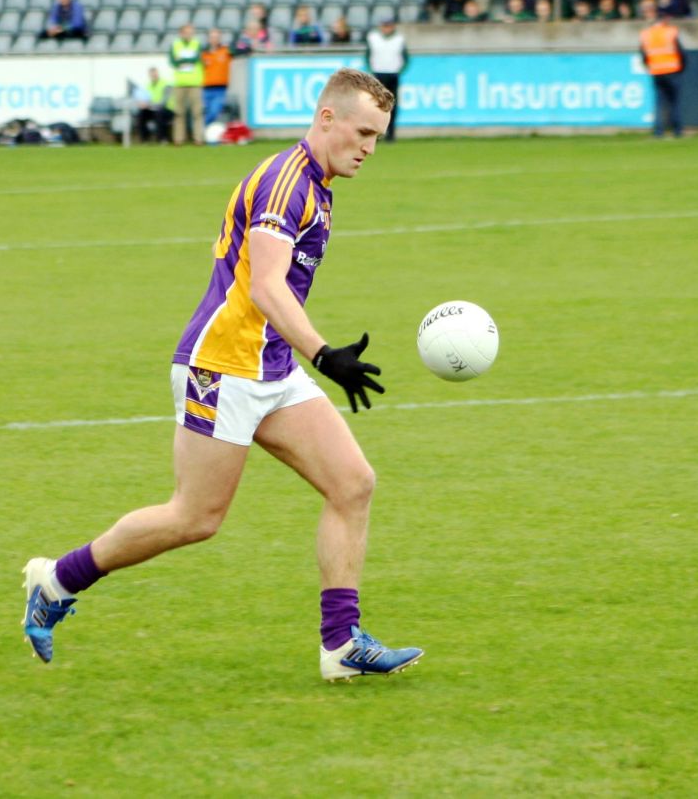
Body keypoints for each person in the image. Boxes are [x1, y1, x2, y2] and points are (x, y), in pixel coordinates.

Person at [21, 68, 424, 682]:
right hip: (221, 366)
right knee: (196, 518)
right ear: (327, 118)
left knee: (353, 483)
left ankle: (341, 645)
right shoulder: (286, 184)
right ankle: (56, 581)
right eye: (363, 132)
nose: (370, 147)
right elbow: (264, 285)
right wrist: (324, 354)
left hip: (271, 365)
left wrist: (304, 357)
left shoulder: (320, 186)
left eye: (378, 136)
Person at [639, 7, 684, 138]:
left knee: (659, 102)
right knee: (674, 102)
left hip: (656, 71)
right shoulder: (671, 32)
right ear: (665, 19)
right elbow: (680, 52)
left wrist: (650, 66)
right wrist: (681, 67)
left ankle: (658, 131)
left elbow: (643, 54)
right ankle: (677, 131)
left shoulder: (646, 33)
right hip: (672, 70)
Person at [366, 17, 406, 142]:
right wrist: (372, 69)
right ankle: (377, 132)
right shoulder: (373, 38)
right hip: (378, 74)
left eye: (388, 26)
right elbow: (367, 56)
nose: (386, 28)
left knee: (392, 104)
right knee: (378, 104)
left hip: (393, 74)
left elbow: (406, 58)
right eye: (384, 26)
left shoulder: (399, 39)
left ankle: (391, 133)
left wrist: (399, 70)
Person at [169, 23, 205, 145]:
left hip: (195, 82)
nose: (189, 35)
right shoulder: (175, 45)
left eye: (191, 32)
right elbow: (173, 61)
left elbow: (196, 59)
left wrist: (182, 60)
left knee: (197, 112)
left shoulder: (197, 44)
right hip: (180, 82)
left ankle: (198, 138)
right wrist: (186, 60)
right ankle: (178, 139)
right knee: (179, 112)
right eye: (187, 32)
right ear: (181, 33)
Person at [201, 28, 232, 127]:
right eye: (212, 37)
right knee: (207, 111)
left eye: (217, 37)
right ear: (208, 39)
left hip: (220, 88)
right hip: (206, 88)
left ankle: (201, 128)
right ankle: (205, 133)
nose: (214, 39)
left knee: (215, 111)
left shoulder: (226, 51)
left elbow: (241, 50)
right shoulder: (203, 53)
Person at [136, 66, 173, 143]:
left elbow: (163, 102)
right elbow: (145, 98)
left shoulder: (166, 84)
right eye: (151, 75)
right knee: (141, 114)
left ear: (157, 74)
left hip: (167, 109)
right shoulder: (148, 86)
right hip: (153, 109)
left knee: (159, 114)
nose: (153, 76)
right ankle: (144, 139)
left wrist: (148, 104)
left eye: (154, 74)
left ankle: (162, 139)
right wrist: (142, 103)